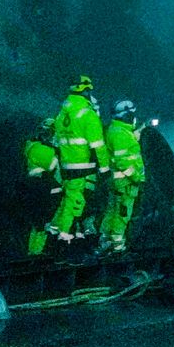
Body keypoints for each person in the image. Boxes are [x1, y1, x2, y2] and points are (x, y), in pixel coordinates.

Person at [42, 75, 109, 250]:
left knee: (66, 202)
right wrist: (105, 168)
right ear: (85, 90)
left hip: (65, 166)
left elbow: (57, 140)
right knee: (75, 204)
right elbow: (98, 146)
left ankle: (53, 236)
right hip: (83, 167)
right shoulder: (88, 115)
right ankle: (65, 244)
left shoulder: (63, 112)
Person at [100, 99, 147, 253]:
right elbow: (123, 162)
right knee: (122, 213)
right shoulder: (120, 134)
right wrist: (137, 177)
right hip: (125, 184)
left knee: (112, 210)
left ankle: (106, 240)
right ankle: (117, 246)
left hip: (118, 182)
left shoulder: (118, 131)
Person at [24, 117, 61, 255]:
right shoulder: (38, 147)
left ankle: (36, 252)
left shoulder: (34, 145)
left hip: (41, 187)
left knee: (40, 223)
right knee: (42, 222)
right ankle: (36, 252)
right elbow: (51, 165)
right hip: (40, 187)